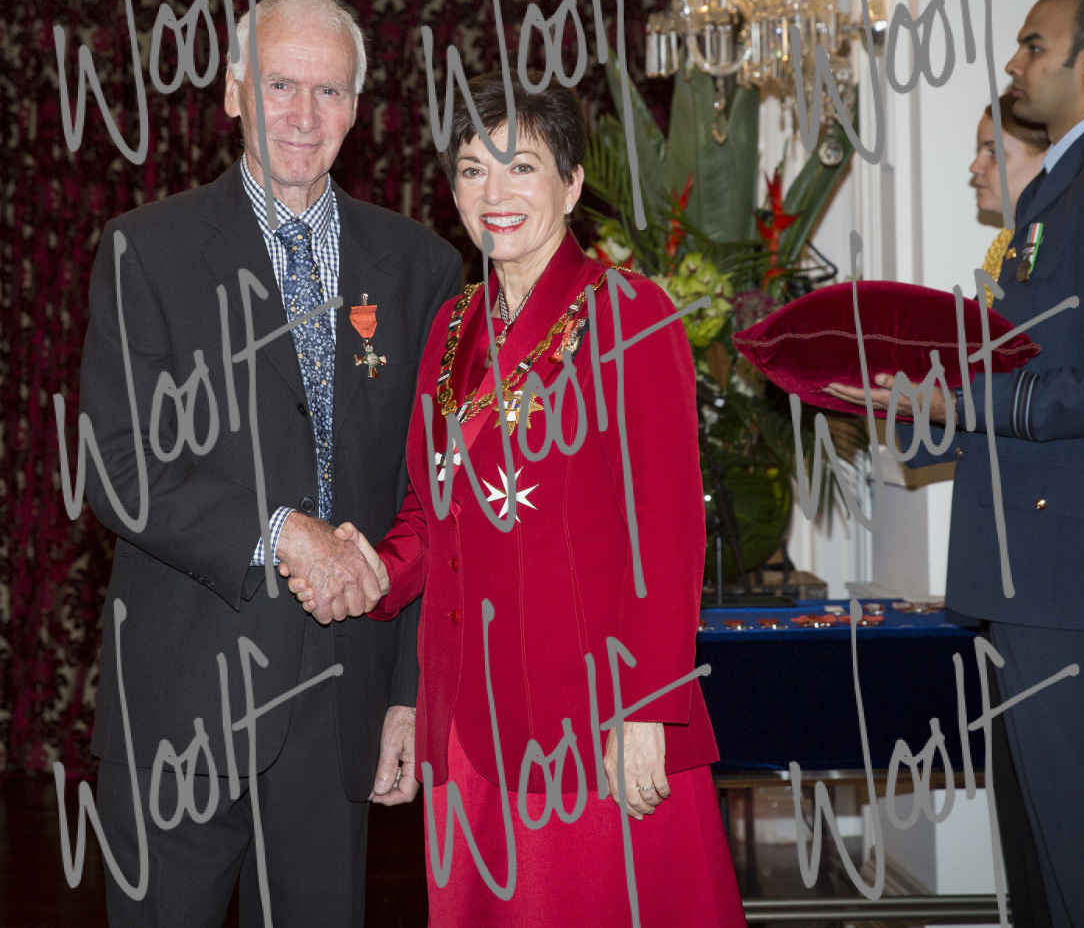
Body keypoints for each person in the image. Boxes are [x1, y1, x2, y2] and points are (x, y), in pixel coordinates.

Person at [286, 74, 746, 927]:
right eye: (472, 170)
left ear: (571, 185)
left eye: (521, 167)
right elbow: (433, 517)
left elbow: (670, 529)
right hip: (467, 716)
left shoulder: (627, 314)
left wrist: (648, 707)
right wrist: (369, 570)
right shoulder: (451, 327)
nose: (493, 193)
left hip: (590, 715)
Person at [77, 0, 464, 927]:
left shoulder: (421, 268)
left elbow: (432, 499)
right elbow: (118, 469)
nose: (303, 114)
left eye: (328, 91)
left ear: (357, 109)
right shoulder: (144, 253)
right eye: (281, 85)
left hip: (341, 712)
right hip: (180, 706)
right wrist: (283, 531)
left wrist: (408, 698)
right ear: (234, 90)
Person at [830, 0, 1084, 927]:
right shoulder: (1064, 194)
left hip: (1074, 577)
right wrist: (910, 405)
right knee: (1043, 871)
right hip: (1035, 574)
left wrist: (954, 401)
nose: (1013, 62)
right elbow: (1026, 377)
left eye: (1034, 45)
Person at [971, 93, 1049, 307]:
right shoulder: (1005, 249)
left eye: (993, 152)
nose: (975, 166)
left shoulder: (1054, 247)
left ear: (1046, 158)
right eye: (980, 151)